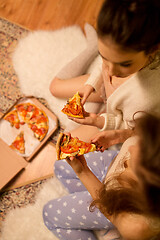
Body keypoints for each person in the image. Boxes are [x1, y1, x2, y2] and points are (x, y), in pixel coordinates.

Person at [50, 0, 160, 150]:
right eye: (104, 56)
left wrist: (99, 121)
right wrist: (91, 84)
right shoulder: (116, 56)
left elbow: (129, 128)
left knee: (65, 145)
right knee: (55, 88)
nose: (111, 71)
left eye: (124, 64)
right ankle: (92, 48)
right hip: (106, 93)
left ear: (153, 50)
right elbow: (103, 67)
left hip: (118, 114)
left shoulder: (146, 99)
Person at [43, 114, 160, 240]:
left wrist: (83, 172)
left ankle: (111, 230)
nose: (130, 149)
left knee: (49, 213)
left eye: (132, 162)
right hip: (112, 166)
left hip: (110, 205)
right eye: (140, 142)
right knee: (60, 166)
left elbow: (109, 210)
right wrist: (120, 135)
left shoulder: (137, 224)